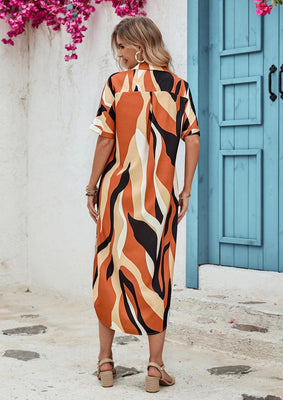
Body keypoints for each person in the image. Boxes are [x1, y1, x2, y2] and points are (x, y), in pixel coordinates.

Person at [86, 16, 200, 393]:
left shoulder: (117, 85)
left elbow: (105, 141)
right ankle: (154, 368)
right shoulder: (178, 86)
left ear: (138, 44)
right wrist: (184, 191)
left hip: (117, 195)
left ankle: (105, 362)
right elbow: (193, 139)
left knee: (109, 269)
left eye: (122, 46)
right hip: (159, 200)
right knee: (156, 275)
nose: (118, 54)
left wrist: (91, 187)